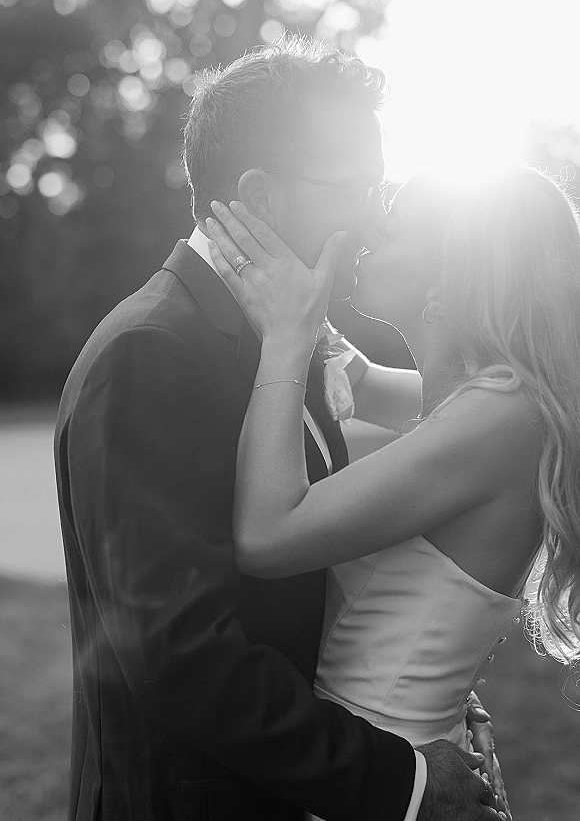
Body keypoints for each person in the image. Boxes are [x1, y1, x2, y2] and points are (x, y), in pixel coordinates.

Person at [54, 36, 504, 821]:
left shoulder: (284, 335)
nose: (375, 216)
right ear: (260, 198)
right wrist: (400, 782)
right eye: (357, 187)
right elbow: (181, 657)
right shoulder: (153, 353)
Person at [206, 163, 580, 805]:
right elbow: (362, 378)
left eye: (395, 226)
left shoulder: (500, 416)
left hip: (388, 782)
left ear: (452, 276)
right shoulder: (491, 402)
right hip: (390, 759)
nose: (369, 228)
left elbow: (267, 535)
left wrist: (288, 335)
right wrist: (293, 288)